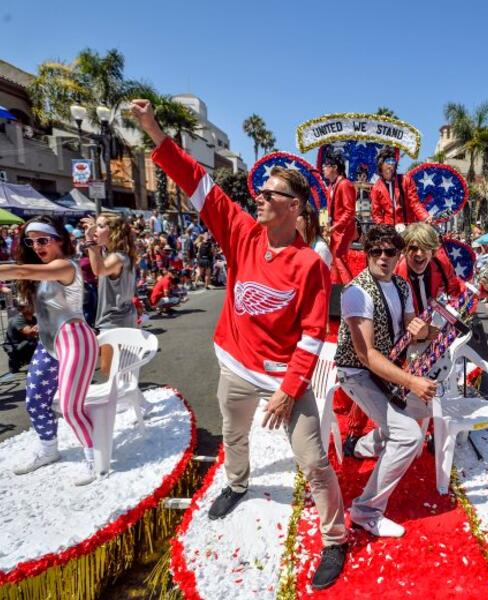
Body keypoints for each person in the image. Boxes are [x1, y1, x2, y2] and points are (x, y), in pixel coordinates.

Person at [131, 99, 347, 590]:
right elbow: (198, 184)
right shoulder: (241, 233)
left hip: (283, 378)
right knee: (234, 435)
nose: (259, 199)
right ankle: (237, 483)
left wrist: (289, 390)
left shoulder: (311, 264)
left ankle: (335, 538)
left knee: (312, 459)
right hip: (236, 364)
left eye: (270, 194)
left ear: (294, 206)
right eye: (260, 193)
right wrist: (154, 132)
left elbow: (314, 333)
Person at [335, 224, 436, 537]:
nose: (382, 257)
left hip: (384, 368)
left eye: (389, 252)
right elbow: (365, 356)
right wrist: (411, 381)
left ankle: (361, 445)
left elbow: (410, 329)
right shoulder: (356, 292)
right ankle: (366, 511)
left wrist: (424, 331)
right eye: (375, 251)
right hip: (357, 372)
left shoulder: (402, 286)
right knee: (408, 437)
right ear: (367, 255)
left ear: (398, 255)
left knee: (421, 411)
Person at [6, 217, 100, 484]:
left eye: (43, 240)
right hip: (49, 343)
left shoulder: (64, 265)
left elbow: (21, 271)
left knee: (71, 407)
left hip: (75, 340)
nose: (36, 246)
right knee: (35, 400)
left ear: (58, 239)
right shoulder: (46, 267)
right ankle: (48, 449)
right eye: (31, 241)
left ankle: (94, 458)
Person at [82, 213, 138, 375]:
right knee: (122, 371)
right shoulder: (118, 255)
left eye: (100, 226)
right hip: (122, 317)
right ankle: (125, 398)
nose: (95, 230)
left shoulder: (117, 257)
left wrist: (90, 241)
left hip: (114, 321)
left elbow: (98, 270)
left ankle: (122, 399)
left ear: (113, 231)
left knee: (111, 370)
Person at [395, 223, 464, 314]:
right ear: (404, 250)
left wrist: (485, 289)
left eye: (425, 247)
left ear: (432, 251)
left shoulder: (442, 264)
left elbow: (457, 292)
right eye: (413, 248)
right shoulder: (395, 273)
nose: (419, 254)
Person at [370, 148, 430, 229]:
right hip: (389, 231)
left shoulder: (406, 180)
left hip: (408, 228)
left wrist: (425, 217)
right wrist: (383, 230)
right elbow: (376, 213)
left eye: (393, 161)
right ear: (381, 164)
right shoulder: (376, 187)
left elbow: (415, 203)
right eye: (388, 161)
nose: (391, 164)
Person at [321, 152, 356, 283]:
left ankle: (350, 290)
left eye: (326, 166)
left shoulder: (344, 184)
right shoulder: (332, 185)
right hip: (336, 230)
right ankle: (336, 290)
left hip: (343, 231)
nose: (323, 168)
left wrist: (334, 227)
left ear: (335, 167)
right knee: (334, 262)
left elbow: (349, 212)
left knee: (339, 259)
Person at [3, 302, 38, 374]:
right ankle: (16, 360)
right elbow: (30, 332)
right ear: (23, 309)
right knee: (34, 344)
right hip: (16, 346)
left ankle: (25, 361)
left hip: (25, 342)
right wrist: (42, 325)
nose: (34, 307)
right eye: (31, 306)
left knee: (36, 342)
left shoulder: (33, 318)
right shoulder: (18, 319)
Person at [296, 203, 333, 268]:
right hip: (315, 213)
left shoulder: (320, 248)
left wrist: (324, 229)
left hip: (317, 214)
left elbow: (324, 206)